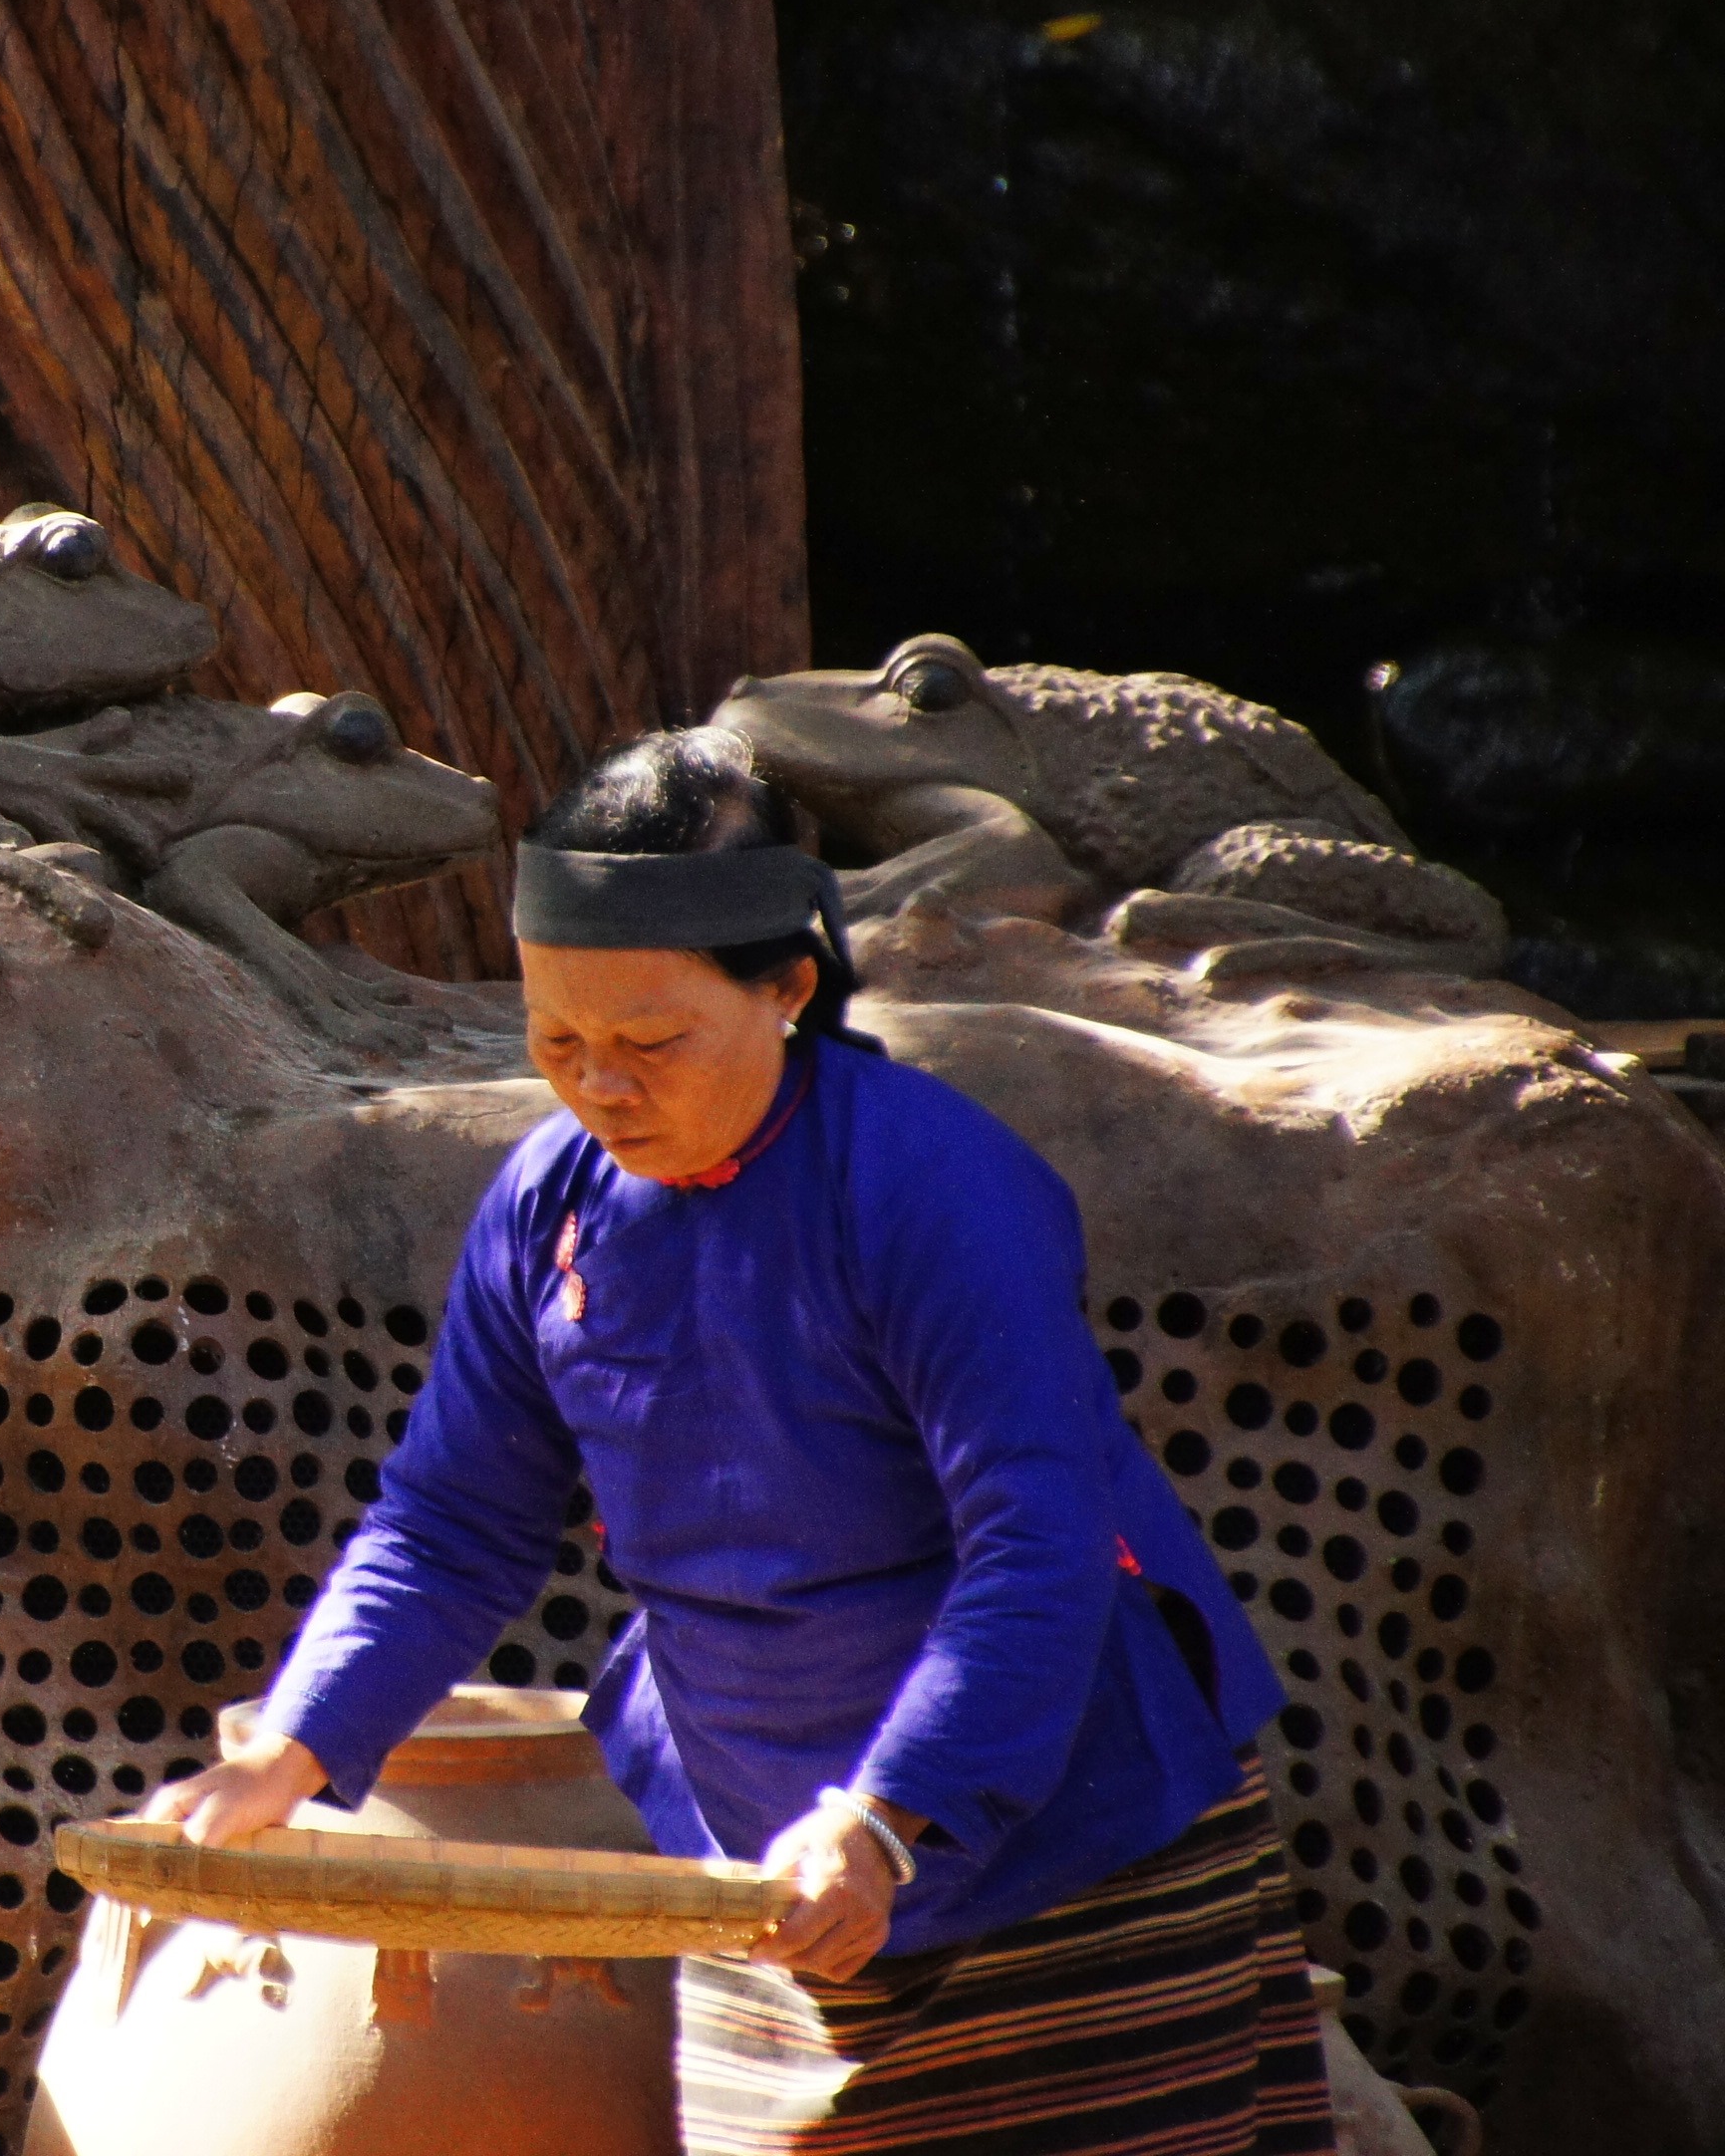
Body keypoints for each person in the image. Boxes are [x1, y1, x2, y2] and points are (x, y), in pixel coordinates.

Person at [148, 727, 1334, 2155]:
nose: (598, 1087)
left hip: (1070, 1851)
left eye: (649, 1043)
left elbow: (1037, 1540)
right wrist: (291, 1749)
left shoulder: (934, 1187)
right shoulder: (549, 1206)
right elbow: (452, 1520)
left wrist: (894, 1814)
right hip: (755, 1866)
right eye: (557, 1042)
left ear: (786, 990)